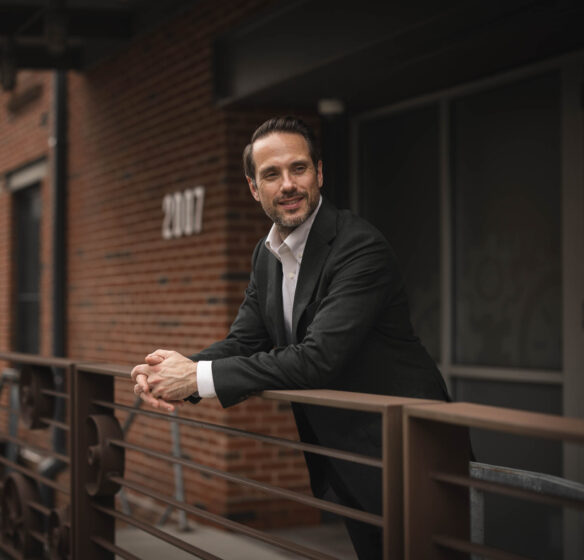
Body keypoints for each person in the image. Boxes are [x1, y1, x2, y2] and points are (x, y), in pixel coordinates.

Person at [131, 116, 450, 559]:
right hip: (350, 457)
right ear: (253, 187)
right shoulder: (267, 255)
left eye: (298, 168)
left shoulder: (359, 247)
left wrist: (197, 378)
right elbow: (245, 341)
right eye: (271, 174)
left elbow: (317, 359)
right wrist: (174, 372)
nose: (288, 185)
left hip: (410, 454)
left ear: (319, 173)